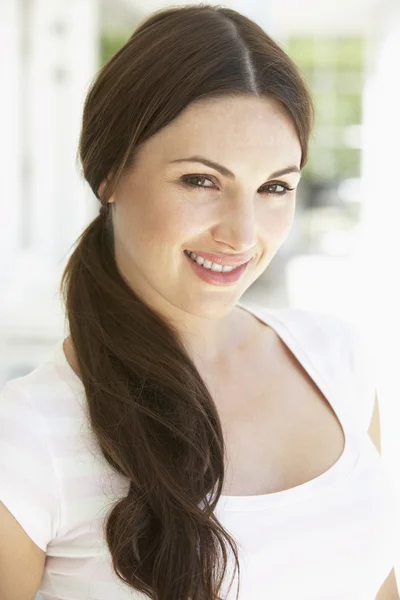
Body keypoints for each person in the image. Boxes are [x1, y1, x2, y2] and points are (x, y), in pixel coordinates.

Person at [0, 4, 399, 600]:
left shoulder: (335, 359)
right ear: (109, 172)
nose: (242, 235)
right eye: (201, 181)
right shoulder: (28, 436)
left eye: (274, 188)